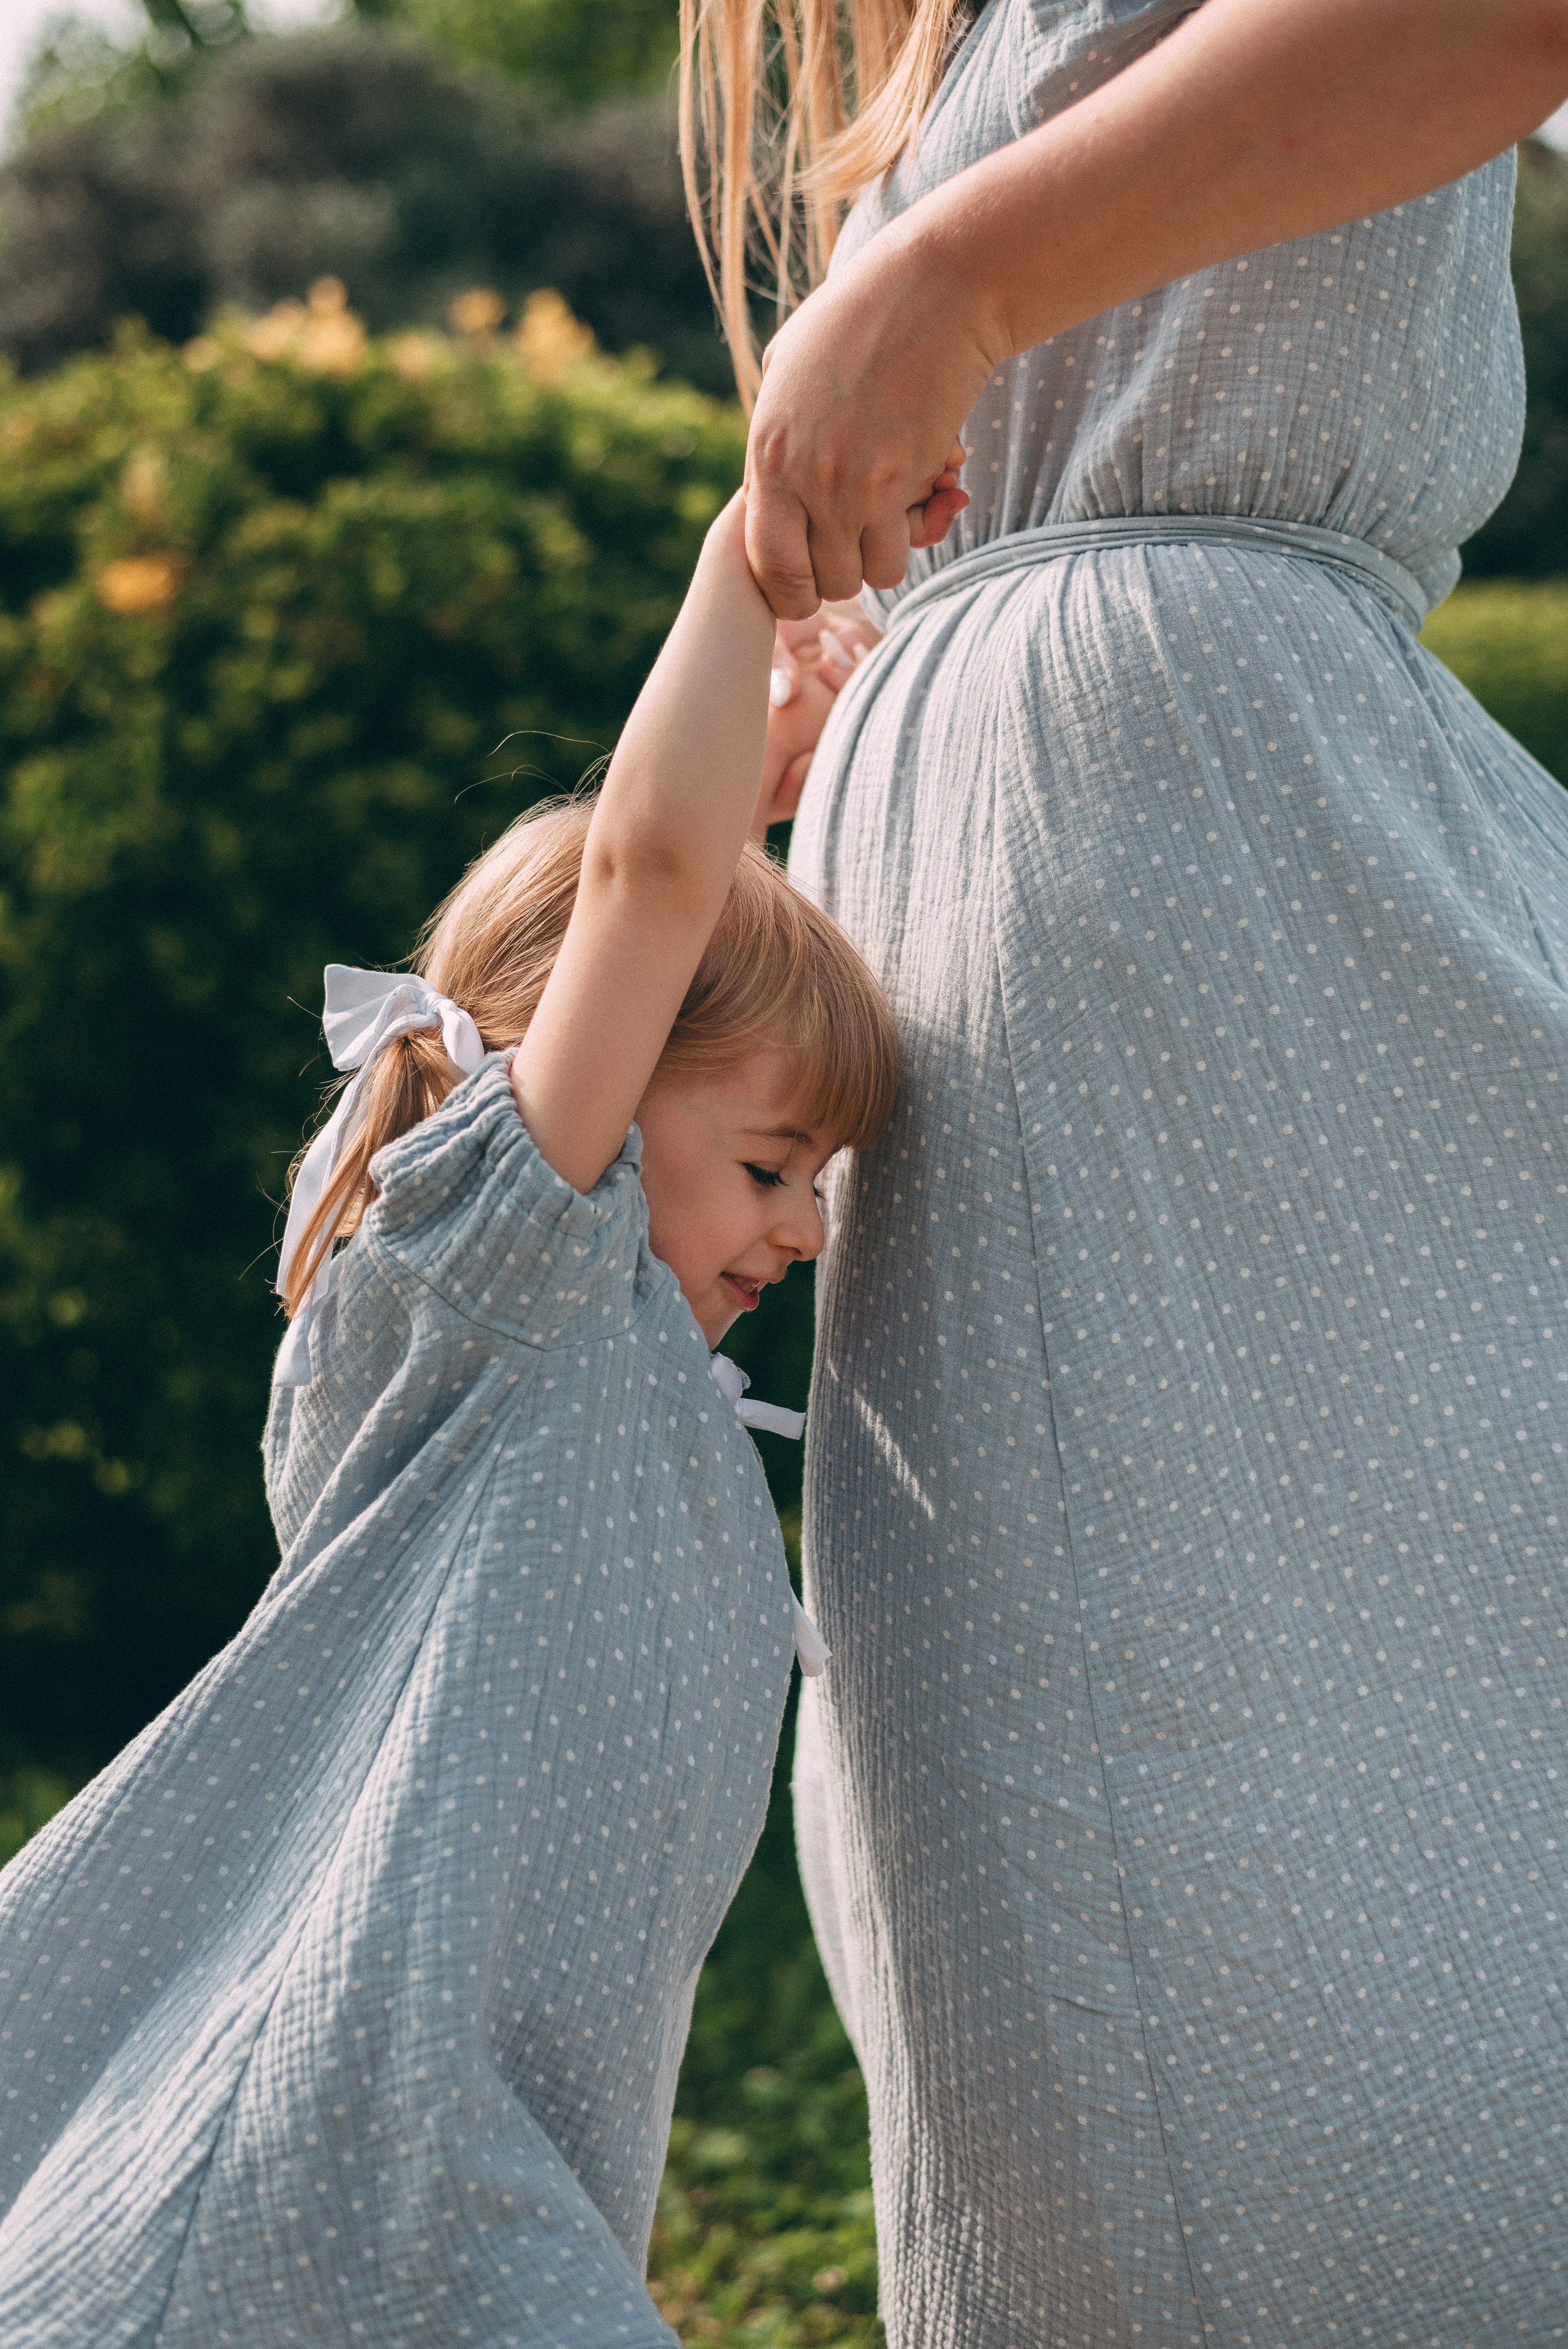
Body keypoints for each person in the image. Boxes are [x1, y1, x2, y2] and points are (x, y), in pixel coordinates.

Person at [681, 1, 1568, 2343]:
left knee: (1279, 1879)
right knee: (1069, 1934)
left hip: (1207, 882)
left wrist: (952, 282)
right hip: (1061, 903)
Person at [0, 487, 949, 2345]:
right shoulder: (509, 1277)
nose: (808, 1223)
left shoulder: (582, 1361)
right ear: (567, 1070)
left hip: (458, 2107)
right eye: (771, 1161)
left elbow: (677, 904)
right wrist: (743, 575)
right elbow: (641, 886)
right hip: (364, 2096)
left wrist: (755, 811)